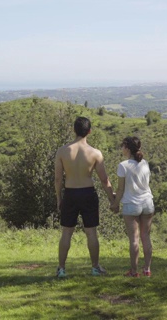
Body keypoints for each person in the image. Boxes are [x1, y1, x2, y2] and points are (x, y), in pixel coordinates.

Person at [54, 116, 115, 278]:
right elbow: (104, 179)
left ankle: (61, 269)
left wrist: (59, 198)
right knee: (91, 232)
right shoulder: (95, 153)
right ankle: (95, 267)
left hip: (70, 193)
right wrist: (112, 199)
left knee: (66, 232)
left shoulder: (62, 151)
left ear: (74, 130)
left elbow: (58, 179)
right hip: (88, 193)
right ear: (89, 131)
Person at [111, 136, 154, 277]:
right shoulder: (145, 163)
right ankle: (147, 269)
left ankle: (134, 271)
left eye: (122, 146)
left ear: (127, 148)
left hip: (131, 205)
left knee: (134, 239)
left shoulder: (123, 166)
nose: (121, 149)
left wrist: (115, 204)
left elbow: (122, 189)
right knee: (146, 237)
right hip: (147, 202)